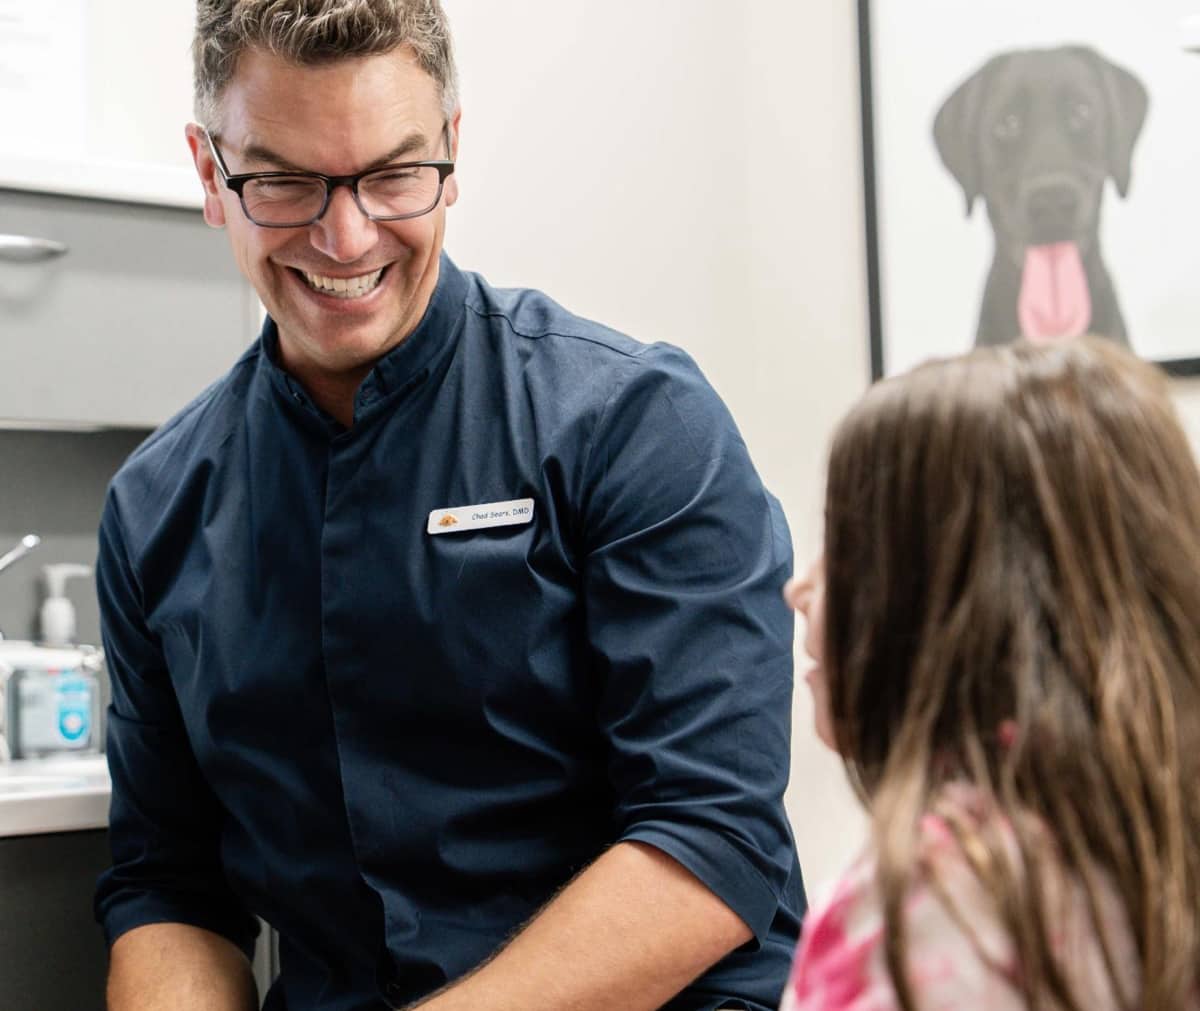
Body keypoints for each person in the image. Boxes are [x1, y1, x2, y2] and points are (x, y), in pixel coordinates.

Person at [92, 2, 805, 1009]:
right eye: (287, 181)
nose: (346, 238)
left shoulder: (633, 425)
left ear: (451, 154)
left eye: (392, 174)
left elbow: (710, 836)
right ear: (213, 175)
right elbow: (171, 888)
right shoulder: (156, 509)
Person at [779, 336, 1200, 1010]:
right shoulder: (1158, 845)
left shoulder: (916, 906)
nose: (797, 587)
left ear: (938, 595)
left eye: (842, 545)